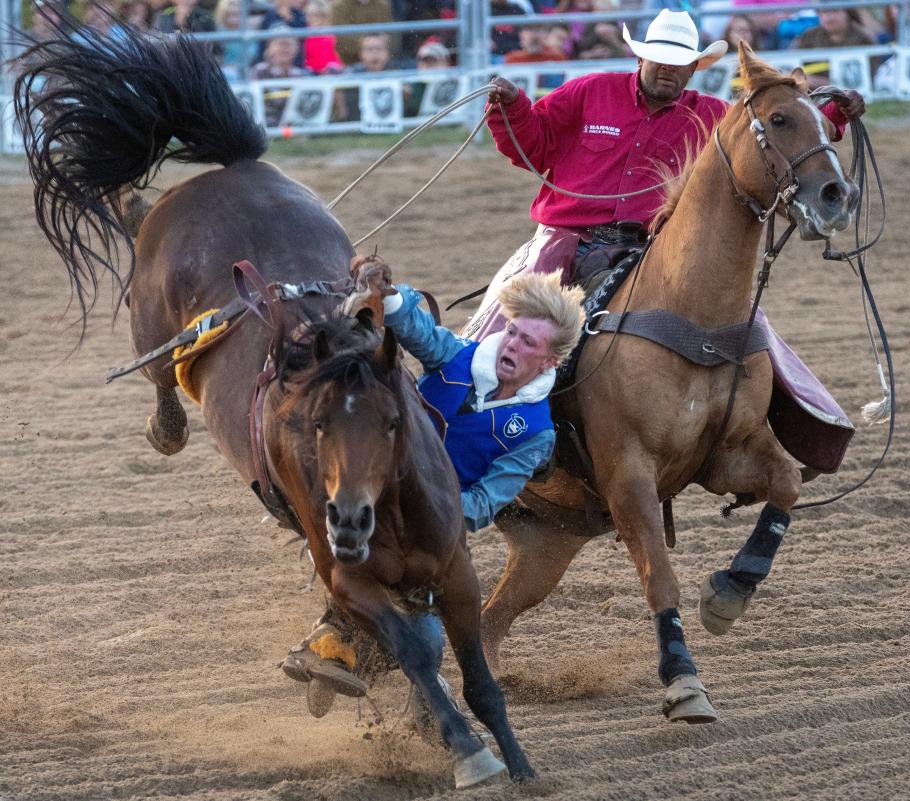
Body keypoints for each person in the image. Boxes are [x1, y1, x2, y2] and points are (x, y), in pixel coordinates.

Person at [281, 269, 586, 714]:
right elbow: (419, 331)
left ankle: (372, 664)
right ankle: (338, 639)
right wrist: (387, 296)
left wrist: (437, 512)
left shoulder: (536, 434)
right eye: (513, 332)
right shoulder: (457, 357)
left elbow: (486, 502)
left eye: (529, 344)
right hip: (373, 497)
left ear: (548, 362)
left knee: (427, 638)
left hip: (432, 537)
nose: (512, 345)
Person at [470, 8, 865, 339]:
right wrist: (513, 109)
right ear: (640, 58)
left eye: (679, 64)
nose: (668, 69)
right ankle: (471, 386)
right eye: (660, 59)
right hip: (568, 239)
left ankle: (798, 411)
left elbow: (782, 135)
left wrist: (833, 115)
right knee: (508, 329)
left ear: (693, 68)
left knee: (746, 332)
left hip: (658, 246)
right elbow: (533, 147)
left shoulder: (715, 117)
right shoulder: (589, 91)